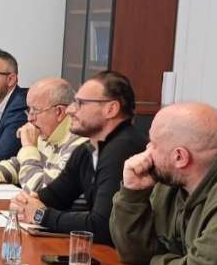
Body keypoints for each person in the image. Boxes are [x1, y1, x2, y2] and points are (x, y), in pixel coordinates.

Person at [111, 103, 217, 265]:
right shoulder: (172, 179)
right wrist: (133, 194)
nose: (146, 151)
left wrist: (153, 260)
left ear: (180, 157)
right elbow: (132, 253)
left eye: (153, 144)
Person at [9, 70, 147, 244]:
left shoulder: (122, 149)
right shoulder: (88, 149)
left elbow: (103, 226)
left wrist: (40, 215)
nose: (70, 110)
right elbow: (56, 196)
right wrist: (26, 203)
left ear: (111, 109)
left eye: (80, 104)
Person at [0, 77, 87, 193]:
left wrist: (29, 147)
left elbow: (42, 191)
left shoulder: (79, 144)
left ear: (59, 112)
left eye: (35, 110)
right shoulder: (47, 132)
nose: (29, 118)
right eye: (29, 110)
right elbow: (17, 166)